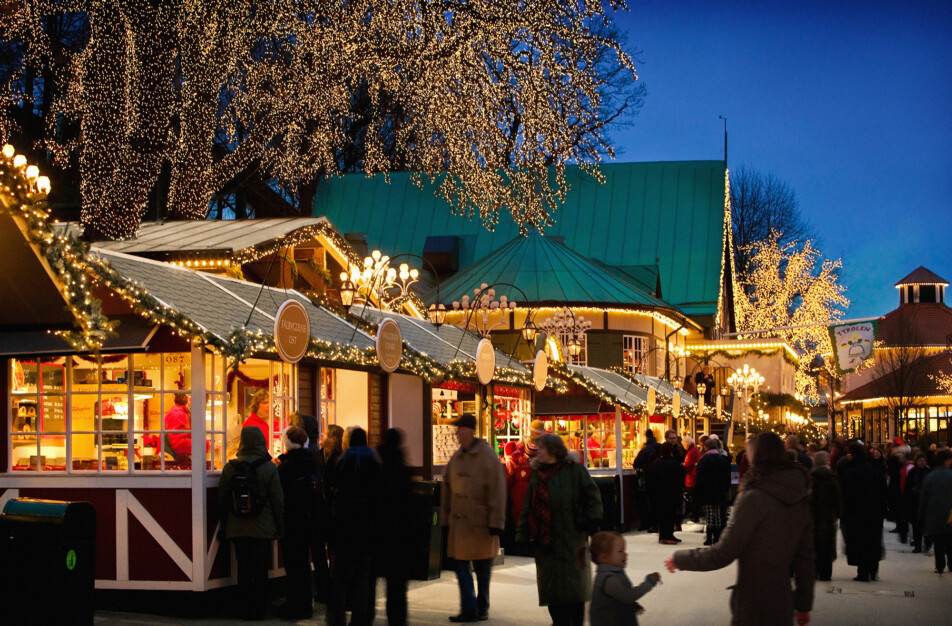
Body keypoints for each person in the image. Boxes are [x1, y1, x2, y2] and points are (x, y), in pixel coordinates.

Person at [664, 432, 814, 626]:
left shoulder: (753, 499)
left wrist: (681, 558)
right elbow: (805, 558)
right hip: (781, 601)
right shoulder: (799, 497)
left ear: (758, 455)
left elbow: (724, 552)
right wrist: (803, 603)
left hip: (753, 602)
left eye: (749, 452)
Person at [515, 433, 602, 626]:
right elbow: (527, 508)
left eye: (543, 448)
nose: (538, 451)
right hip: (547, 544)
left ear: (554, 450)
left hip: (573, 540)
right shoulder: (537, 476)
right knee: (552, 592)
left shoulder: (575, 471)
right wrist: (521, 535)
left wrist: (593, 522)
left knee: (575, 591)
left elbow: (592, 495)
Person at [441, 414, 507, 623]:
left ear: (470, 430)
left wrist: (496, 523)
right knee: (462, 567)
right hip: (460, 525)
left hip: (481, 525)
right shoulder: (457, 457)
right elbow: (447, 489)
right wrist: (445, 519)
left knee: (482, 569)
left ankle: (482, 607)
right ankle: (470, 608)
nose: (457, 433)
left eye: (460, 429)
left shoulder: (488, 457)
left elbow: (497, 492)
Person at [218, 426, 284, 621]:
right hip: (263, 529)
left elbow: (223, 500)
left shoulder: (230, 467)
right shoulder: (268, 467)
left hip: (237, 528)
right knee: (260, 570)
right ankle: (258, 610)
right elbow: (277, 500)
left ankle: (243, 609)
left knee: (243, 569)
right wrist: (280, 527)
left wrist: (224, 526)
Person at [327, 426, 383, 626]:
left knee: (340, 574)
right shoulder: (374, 462)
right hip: (366, 527)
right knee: (361, 574)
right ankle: (359, 618)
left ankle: (336, 617)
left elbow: (332, 489)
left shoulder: (342, 461)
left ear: (349, 441)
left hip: (344, 525)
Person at [276, 425, 320, 620]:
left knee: (294, 564)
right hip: (309, 518)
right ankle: (305, 603)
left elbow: (281, 495)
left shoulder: (286, 468)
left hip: (292, 519)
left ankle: (296, 604)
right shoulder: (312, 462)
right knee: (303, 562)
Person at [377, 428, 412, 626]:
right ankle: (398, 618)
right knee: (397, 582)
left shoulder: (379, 467)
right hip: (400, 534)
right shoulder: (402, 467)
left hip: (383, 532)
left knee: (383, 577)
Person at [588, 531, 660, 626]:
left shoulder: (616, 572)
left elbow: (620, 596)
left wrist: (630, 605)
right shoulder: (608, 579)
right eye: (620, 551)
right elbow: (628, 596)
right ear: (604, 557)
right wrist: (649, 582)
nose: (625, 554)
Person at [839, 440, 887, 582]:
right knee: (872, 539)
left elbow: (846, 494)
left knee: (860, 541)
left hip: (856, 512)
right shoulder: (872, 469)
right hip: (873, 511)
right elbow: (881, 490)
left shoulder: (850, 471)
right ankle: (873, 568)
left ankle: (863, 571)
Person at [917, 448, 952, 573]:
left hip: (934, 514)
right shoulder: (950, 475)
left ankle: (940, 565)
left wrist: (921, 514)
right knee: (950, 540)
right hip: (950, 514)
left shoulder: (930, 476)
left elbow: (923, 497)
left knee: (938, 542)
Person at [809, 451, 841, 581]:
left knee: (814, 543)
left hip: (812, 515)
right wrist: (838, 512)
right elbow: (837, 496)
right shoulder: (831, 476)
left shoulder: (810, 476)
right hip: (827, 515)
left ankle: (814, 569)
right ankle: (825, 572)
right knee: (827, 544)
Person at [695, 437, 730, 546]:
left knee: (709, 516)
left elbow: (699, 478)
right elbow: (727, 477)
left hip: (707, 492)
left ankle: (709, 537)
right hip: (720, 492)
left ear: (705, 447)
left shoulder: (703, 460)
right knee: (719, 516)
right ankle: (717, 537)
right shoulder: (722, 459)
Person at [647, 442, 684, 545]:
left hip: (658, 493)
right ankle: (667, 535)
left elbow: (651, 479)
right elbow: (680, 478)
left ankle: (664, 535)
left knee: (662, 515)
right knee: (670, 515)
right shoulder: (674, 464)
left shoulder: (656, 463)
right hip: (671, 493)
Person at [632, 429, 660, 532]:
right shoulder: (659, 447)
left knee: (646, 503)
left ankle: (647, 523)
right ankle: (656, 523)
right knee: (656, 503)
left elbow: (636, 463)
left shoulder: (645, 450)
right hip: (658, 479)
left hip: (647, 479)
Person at [903, 452, 931, 553]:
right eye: (920, 461)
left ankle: (927, 543)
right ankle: (918, 546)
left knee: (926, 526)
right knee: (916, 525)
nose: (922, 462)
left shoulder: (929, 471)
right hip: (914, 502)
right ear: (916, 462)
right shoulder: (912, 472)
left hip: (927, 503)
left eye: (923, 461)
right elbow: (907, 487)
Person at [164, 393, 192, 467]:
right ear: (189, 399)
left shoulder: (185, 412)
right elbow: (178, 442)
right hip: (171, 459)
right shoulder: (177, 413)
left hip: (176, 459)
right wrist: (204, 444)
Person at [682, 436, 701, 523]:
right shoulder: (694, 450)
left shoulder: (691, 452)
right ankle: (695, 515)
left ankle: (694, 516)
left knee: (693, 499)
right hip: (694, 478)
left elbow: (687, 465)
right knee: (695, 499)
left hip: (691, 478)